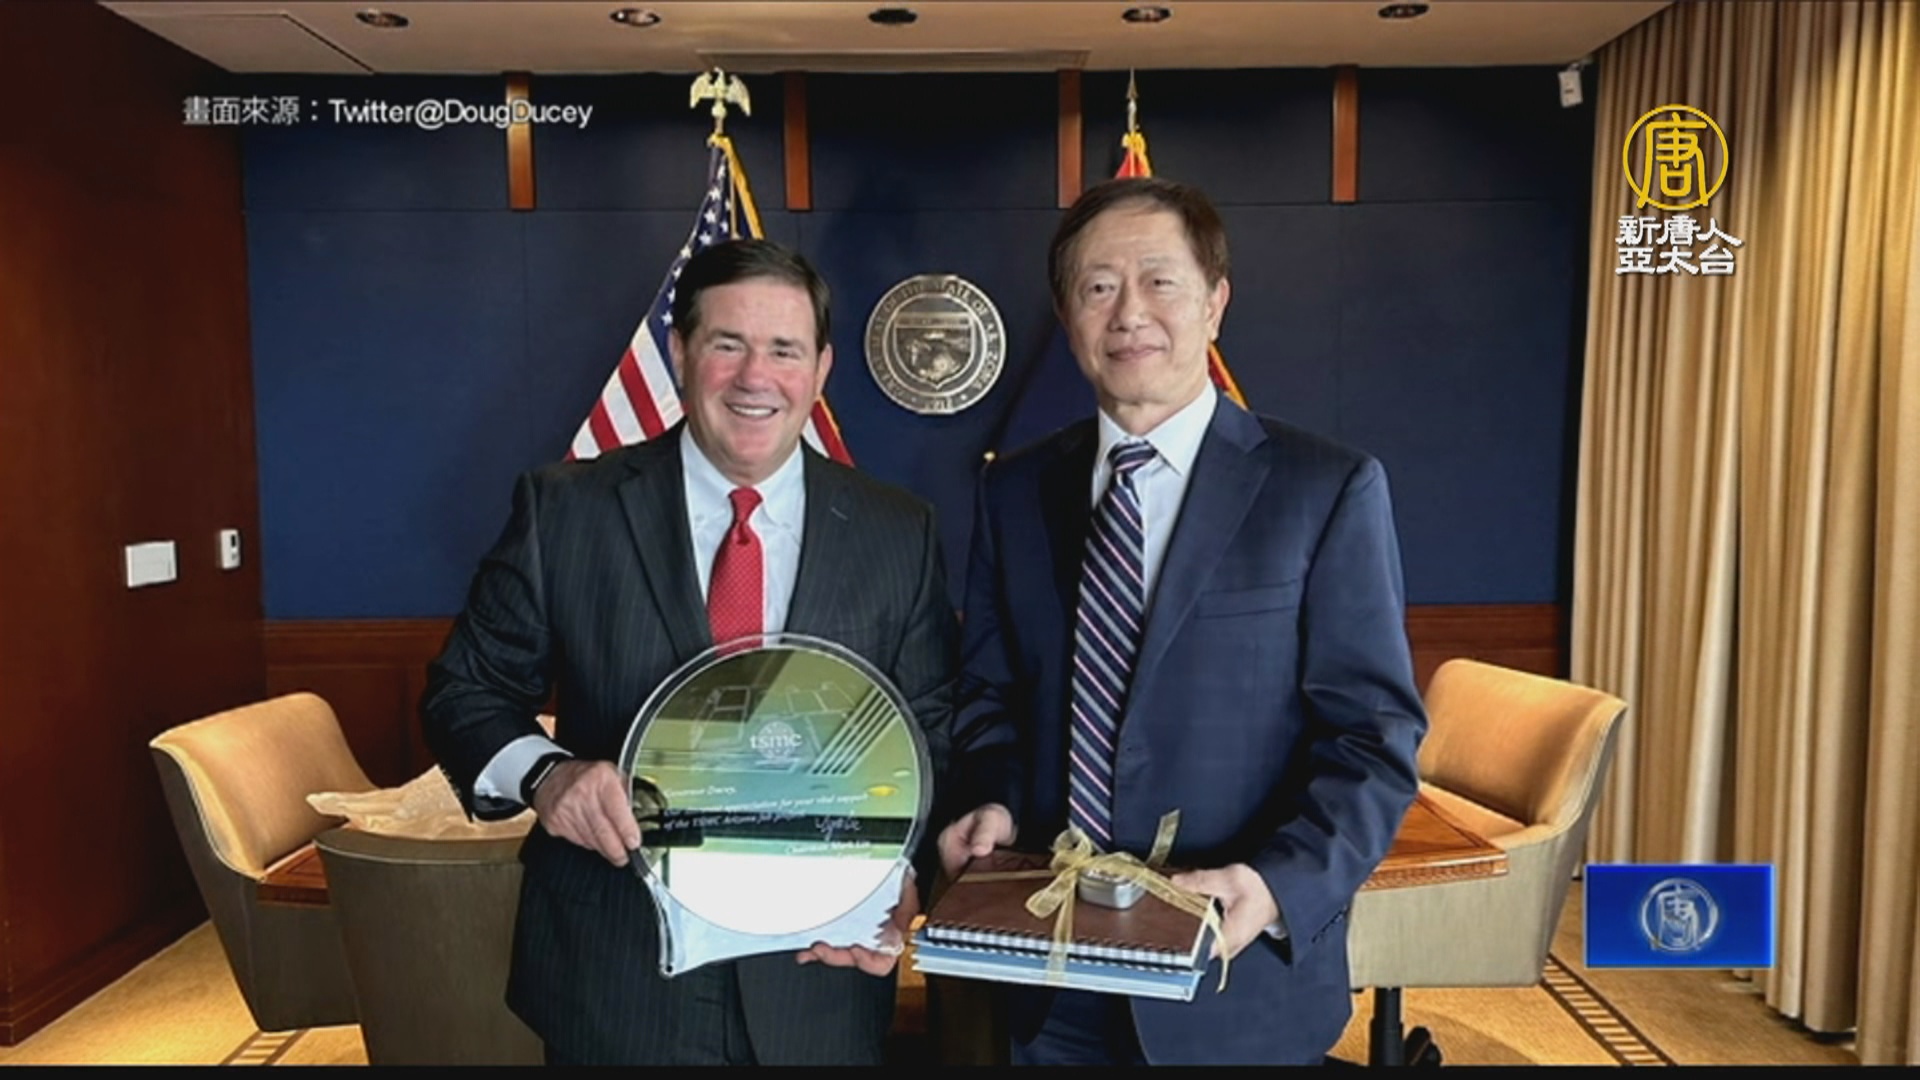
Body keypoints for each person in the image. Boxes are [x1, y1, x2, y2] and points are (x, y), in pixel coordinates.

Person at [422, 238, 958, 1065]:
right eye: (727, 344)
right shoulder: (566, 511)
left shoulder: (899, 530)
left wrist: (902, 869)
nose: (755, 377)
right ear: (679, 353)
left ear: (820, 368)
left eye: (784, 350)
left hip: (818, 974)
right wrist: (547, 776)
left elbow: (928, 727)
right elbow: (465, 692)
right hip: (616, 972)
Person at [938, 177, 1428, 1065]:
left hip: (1235, 975)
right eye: (1098, 287)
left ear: (1215, 301)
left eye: (1159, 281)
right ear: (1068, 315)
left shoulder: (1325, 489)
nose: (1129, 312)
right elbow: (991, 695)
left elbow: (1373, 740)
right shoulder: (1013, 490)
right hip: (1050, 972)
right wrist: (993, 800)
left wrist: (1275, 885)